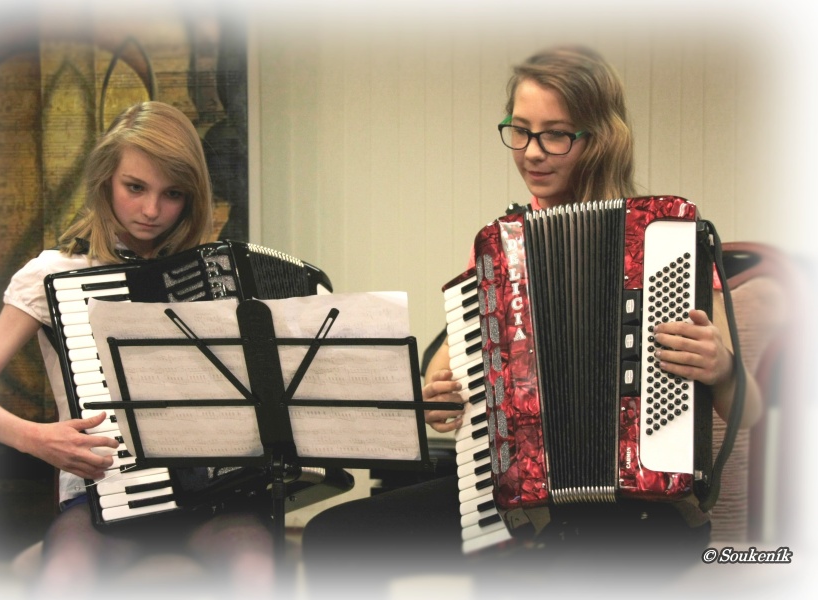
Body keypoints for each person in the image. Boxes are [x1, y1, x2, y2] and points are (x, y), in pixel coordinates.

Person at [301, 46, 763, 592]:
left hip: (645, 510)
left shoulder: (664, 244)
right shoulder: (502, 248)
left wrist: (722, 367)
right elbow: (448, 370)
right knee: (335, 536)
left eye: (556, 135)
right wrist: (443, 395)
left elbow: (750, 410)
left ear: (602, 138)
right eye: (520, 131)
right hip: (521, 495)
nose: (533, 153)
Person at [0, 101, 274, 597]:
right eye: (135, 187)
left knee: (256, 574)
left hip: (215, 501)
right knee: (67, 577)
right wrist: (36, 439)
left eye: (173, 194)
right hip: (103, 499)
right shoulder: (52, 274)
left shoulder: (217, 279)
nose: (151, 210)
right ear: (104, 181)